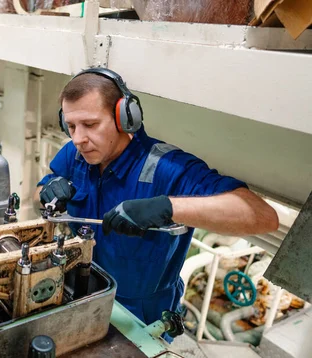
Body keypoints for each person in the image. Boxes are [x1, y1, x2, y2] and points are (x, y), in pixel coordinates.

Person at [34, 68, 278, 334]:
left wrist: (168, 207)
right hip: (83, 289)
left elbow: (263, 217)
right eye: (71, 126)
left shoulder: (167, 167)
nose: (78, 139)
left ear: (125, 118)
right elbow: (41, 192)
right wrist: (48, 191)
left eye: (90, 125)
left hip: (141, 314)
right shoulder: (76, 155)